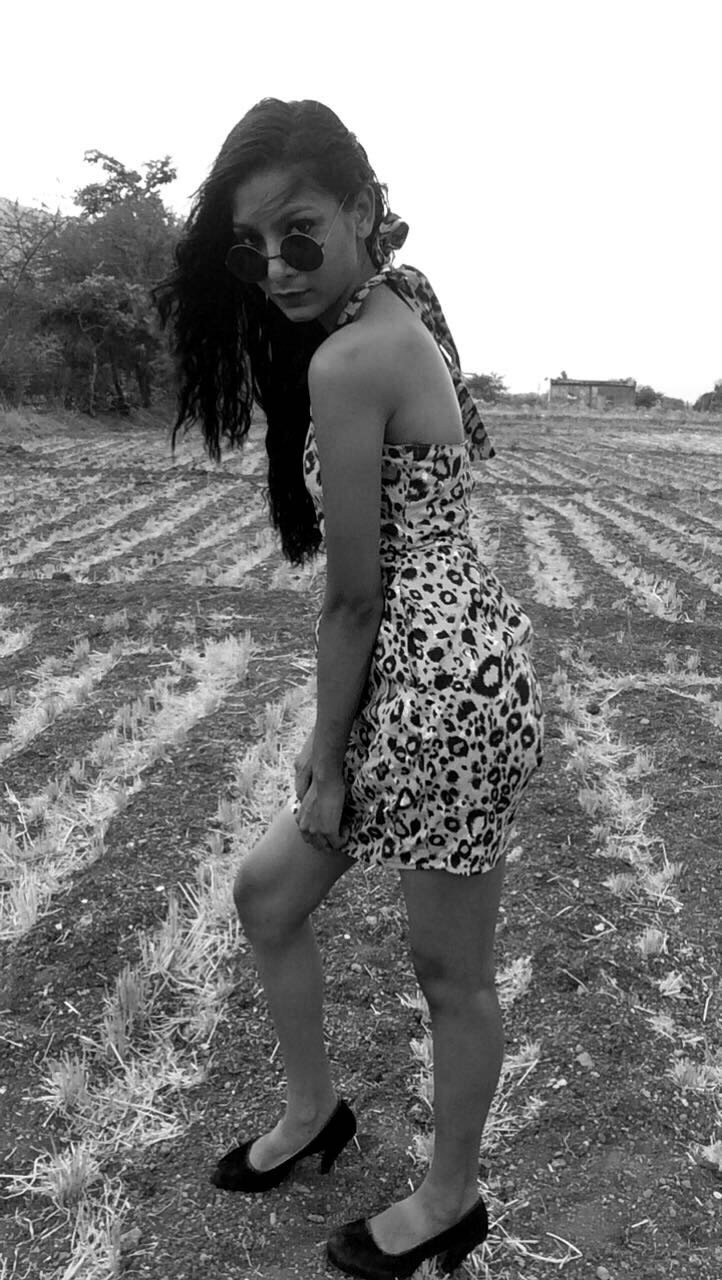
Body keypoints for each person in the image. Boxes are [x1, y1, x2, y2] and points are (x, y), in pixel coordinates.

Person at [154, 97, 544, 1279]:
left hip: (443, 690)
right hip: (427, 668)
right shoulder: (399, 293)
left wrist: (326, 757)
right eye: (251, 249)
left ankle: (450, 1199)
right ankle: (314, 1111)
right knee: (268, 895)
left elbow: (352, 599)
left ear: (363, 210)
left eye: (300, 234)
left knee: (449, 972)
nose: (276, 267)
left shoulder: (348, 354)